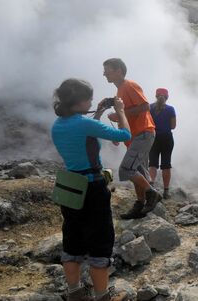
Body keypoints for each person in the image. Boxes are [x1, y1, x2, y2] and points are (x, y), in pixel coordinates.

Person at [51, 79, 132, 301]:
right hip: (93, 187)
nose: (91, 102)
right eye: (89, 99)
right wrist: (121, 111)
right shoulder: (83, 124)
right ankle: (101, 295)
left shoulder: (58, 124)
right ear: (79, 101)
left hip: (69, 185)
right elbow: (124, 135)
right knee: (100, 242)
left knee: (72, 238)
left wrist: (97, 113)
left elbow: (84, 134)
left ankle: (75, 291)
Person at [103, 58, 161, 219]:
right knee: (137, 171)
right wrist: (119, 133)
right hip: (135, 136)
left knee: (126, 170)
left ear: (119, 70)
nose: (104, 74)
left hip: (143, 133)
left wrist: (118, 114)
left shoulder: (129, 85)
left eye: (107, 70)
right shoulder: (120, 90)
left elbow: (144, 106)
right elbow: (125, 117)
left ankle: (152, 194)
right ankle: (140, 205)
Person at [148, 88, 176, 199]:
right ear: (167, 97)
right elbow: (173, 126)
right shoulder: (170, 109)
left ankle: (150, 188)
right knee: (166, 165)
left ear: (156, 96)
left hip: (153, 137)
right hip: (167, 138)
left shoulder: (149, 108)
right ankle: (166, 191)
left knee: (152, 164)